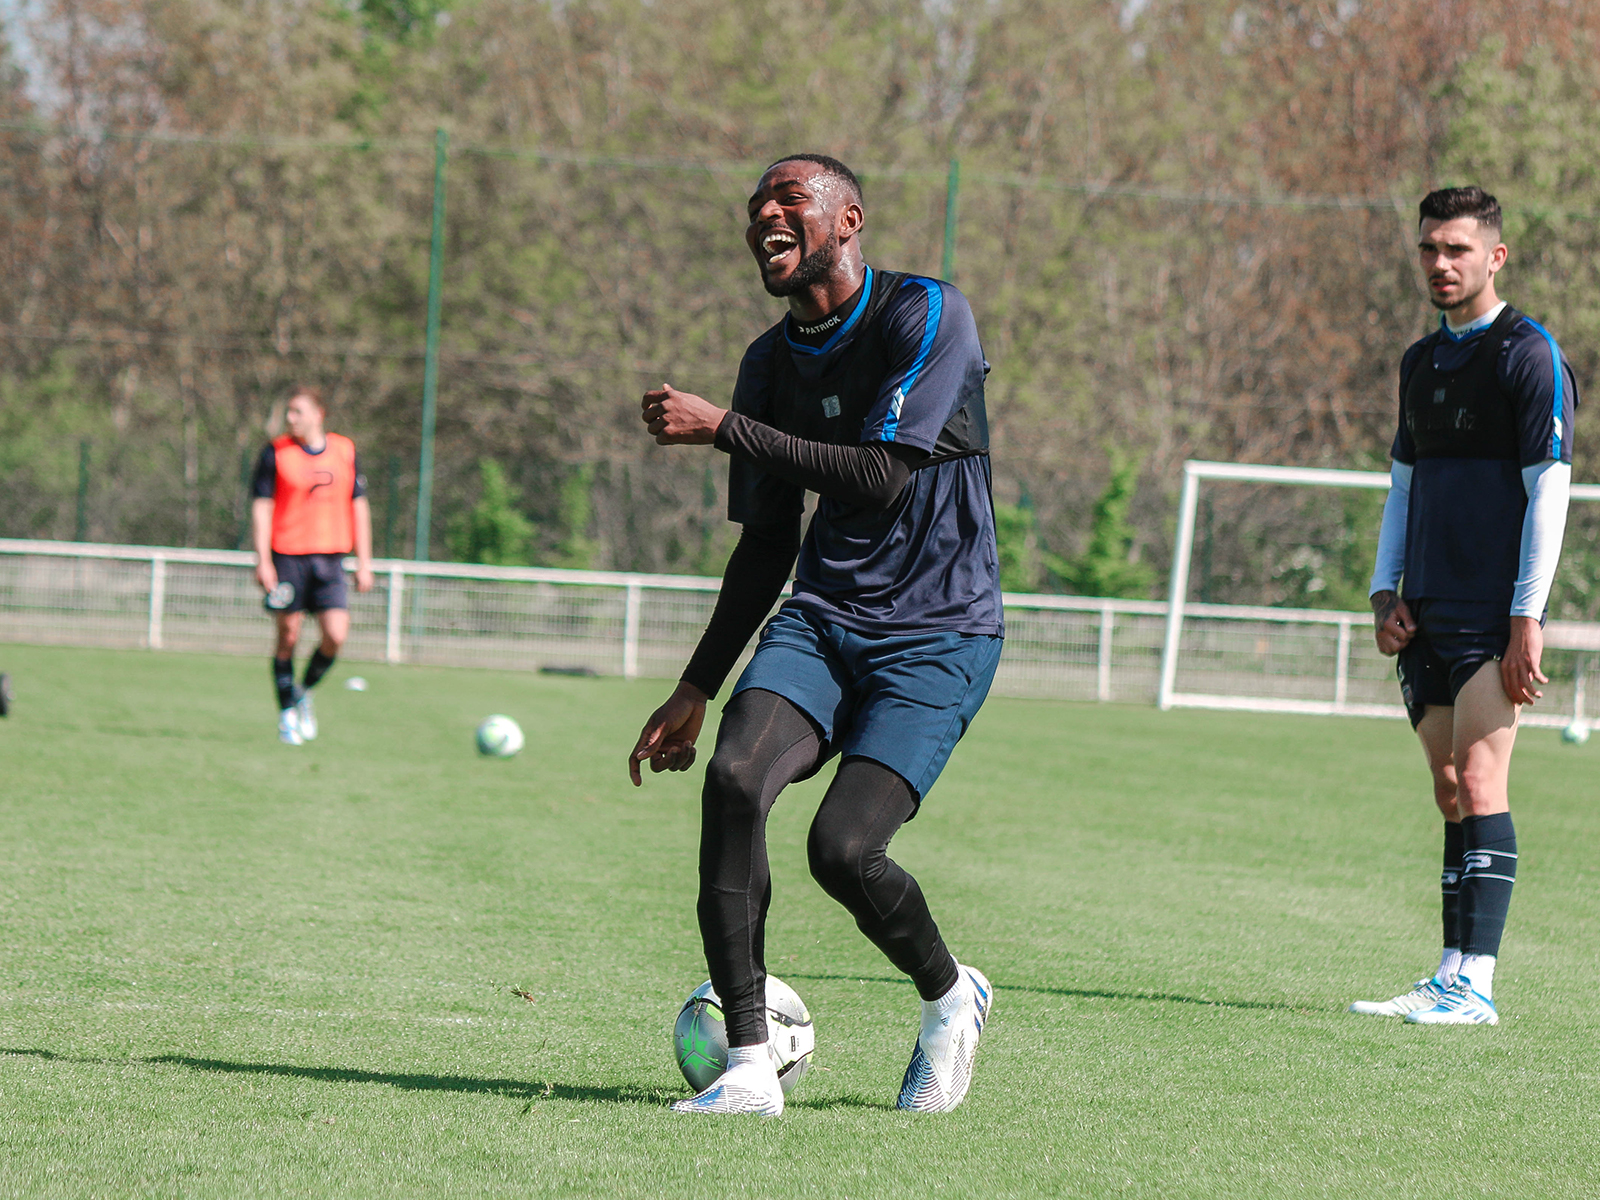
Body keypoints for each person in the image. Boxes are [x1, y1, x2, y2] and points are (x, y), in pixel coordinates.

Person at [629, 154, 1003, 1115]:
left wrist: (724, 430)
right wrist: (697, 685)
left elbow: (882, 474)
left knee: (842, 849)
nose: (765, 214)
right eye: (757, 205)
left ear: (849, 220)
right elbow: (766, 545)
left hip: (939, 632)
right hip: (823, 618)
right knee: (732, 778)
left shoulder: (926, 314)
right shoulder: (766, 363)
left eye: (789, 199)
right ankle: (750, 1068)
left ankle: (950, 997)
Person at [1353, 187, 1576, 1026]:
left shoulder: (1528, 354)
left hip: (1493, 612)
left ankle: (1477, 983)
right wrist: (1385, 591)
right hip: (1427, 609)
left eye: (1457, 249)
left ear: (1495, 256)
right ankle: (1449, 968)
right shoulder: (1419, 361)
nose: (1441, 265)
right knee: (1450, 789)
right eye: (1428, 250)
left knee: (1483, 781)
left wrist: (1528, 618)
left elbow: (1549, 495)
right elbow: (1402, 488)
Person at [250, 386, 374, 745]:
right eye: (288, 411)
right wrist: (263, 560)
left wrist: (365, 561)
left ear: (319, 414)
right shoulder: (276, 453)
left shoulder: (344, 451)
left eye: (297, 411)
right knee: (288, 636)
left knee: (336, 635)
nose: (291, 418)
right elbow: (262, 507)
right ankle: (286, 713)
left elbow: (359, 506)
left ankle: (303, 691)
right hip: (288, 556)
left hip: (331, 559)